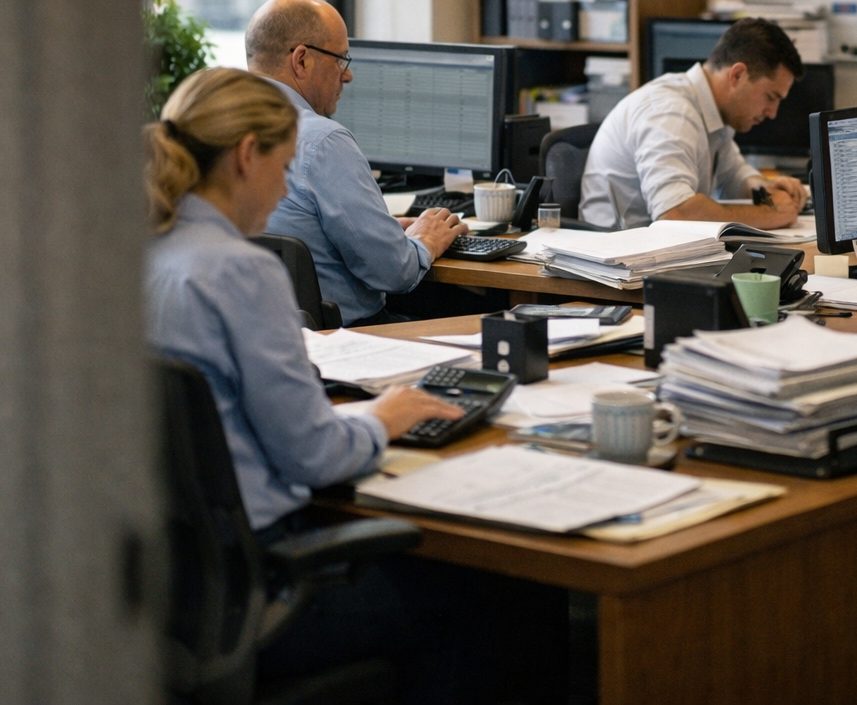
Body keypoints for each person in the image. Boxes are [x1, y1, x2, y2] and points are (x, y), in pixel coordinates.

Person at [145, 68, 566, 702]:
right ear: (246, 155)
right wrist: (385, 417)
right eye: (285, 167)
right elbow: (315, 456)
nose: (287, 186)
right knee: (503, 586)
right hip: (269, 595)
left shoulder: (142, 253)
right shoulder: (240, 271)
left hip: (174, 597)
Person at [244, 0, 469, 327]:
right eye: (340, 59)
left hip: (259, 343)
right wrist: (425, 240)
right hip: (348, 342)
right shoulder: (322, 141)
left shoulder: (220, 131)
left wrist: (383, 231)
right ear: (302, 60)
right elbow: (394, 272)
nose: (346, 75)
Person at [581, 18, 808, 230]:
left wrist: (765, 192)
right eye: (771, 97)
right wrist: (769, 215)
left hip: (655, 255)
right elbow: (675, 214)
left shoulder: (715, 113)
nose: (772, 113)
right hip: (617, 259)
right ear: (737, 75)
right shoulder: (671, 112)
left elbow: (734, 176)